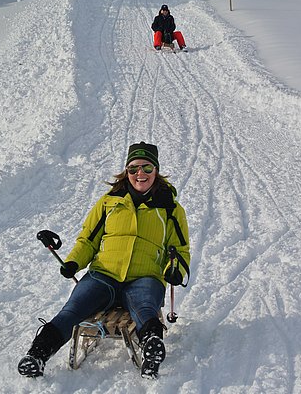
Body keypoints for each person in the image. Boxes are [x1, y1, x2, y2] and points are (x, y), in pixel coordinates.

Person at [18, 141, 191, 379]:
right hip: (104, 275)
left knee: (145, 309)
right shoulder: (109, 202)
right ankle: (37, 354)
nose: (140, 174)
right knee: (72, 310)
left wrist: (175, 270)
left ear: (156, 171)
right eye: (133, 169)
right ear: (126, 172)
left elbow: (180, 249)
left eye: (147, 168)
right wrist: (74, 262)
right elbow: (88, 240)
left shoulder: (170, 209)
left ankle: (151, 349)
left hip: (145, 276)